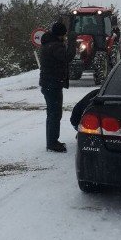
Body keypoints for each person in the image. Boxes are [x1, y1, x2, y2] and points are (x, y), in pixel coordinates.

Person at [39, 21, 74, 152]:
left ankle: (52, 141)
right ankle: (52, 143)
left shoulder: (48, 44)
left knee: (52, 113)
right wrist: (72, 41)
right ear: (60, 34)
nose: (65, 36)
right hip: (52, 85)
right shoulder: (55, 46)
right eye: (64, 34)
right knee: (55, 114)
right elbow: (68, 57)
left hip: (49, 84)